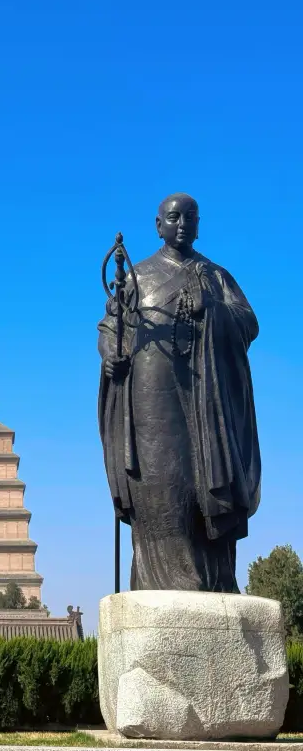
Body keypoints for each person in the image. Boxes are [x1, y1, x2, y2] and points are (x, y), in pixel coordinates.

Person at [98, 193, 261, 592]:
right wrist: (112, 355)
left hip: (206, 395)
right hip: (151, 392)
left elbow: (249, 323)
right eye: (174, 218)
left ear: (199, 224)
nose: (183, 224)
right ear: (159, 225)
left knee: (204, 480)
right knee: (159, 482)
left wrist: (213, 310)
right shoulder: (138, 276)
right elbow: (110, 327)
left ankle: (214, 580)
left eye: (191, 217)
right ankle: (159, 583)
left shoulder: (215, 275)